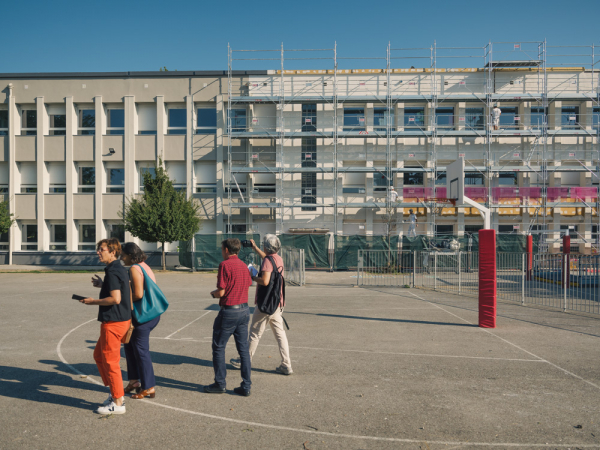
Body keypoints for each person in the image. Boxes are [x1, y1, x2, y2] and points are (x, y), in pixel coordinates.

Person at [79, 238, 131, 415]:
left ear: (113, 252)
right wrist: (103, 285)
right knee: (99, 356)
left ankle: (118, 403)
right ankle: (115, 393)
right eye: (98, 249)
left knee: (110, 362)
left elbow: (115, 298)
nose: (98, 252)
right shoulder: (117, 269)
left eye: (101, 249)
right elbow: (122, 291)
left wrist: (93, 301)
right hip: (119, 321)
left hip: (114, 323)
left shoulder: (114, 270)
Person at [230, 235, 292, 375]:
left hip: (265, 304)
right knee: (280, 335)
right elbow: (268, 258)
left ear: (266, 247)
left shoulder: (267, 262)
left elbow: (264, 281)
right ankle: (286, 364)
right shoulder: (278, 258)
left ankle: (244, 360)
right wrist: (255, 248)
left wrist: (251, 275)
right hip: (277, 303)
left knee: (254, 333)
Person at [205, 238, 253, 397]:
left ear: (226, 250)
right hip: (244, 310)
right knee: (243, 350)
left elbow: (222, 291)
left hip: (229, 312)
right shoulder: (244, 266)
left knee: (219, 347)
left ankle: (220, 383)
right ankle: (246, 385)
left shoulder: (224, 265)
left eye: (222, 248)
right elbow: (248, 284)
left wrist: (213, 294)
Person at [121, 242, 160, 400]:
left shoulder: (134, 268)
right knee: (129, 346)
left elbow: (138, 294)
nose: (121, 258)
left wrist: (122, 299)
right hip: (149, 313)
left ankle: (149, 387)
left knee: (141, 351)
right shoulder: (144, 266)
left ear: (131, 255)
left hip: (143, 315)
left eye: (123, 255)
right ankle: (134, 382)